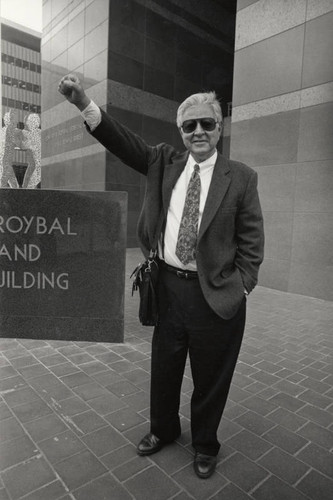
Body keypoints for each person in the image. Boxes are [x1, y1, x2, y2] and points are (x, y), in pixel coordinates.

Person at [58, 74, 264, 479]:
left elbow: (252, 242)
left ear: (220, 127)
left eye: (207, 123)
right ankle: (163, 430)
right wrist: (84, 101)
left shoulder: (241, 177)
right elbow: (122, 140)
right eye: (190, 125)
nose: (199, 131)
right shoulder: (163, 163)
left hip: (217, 295)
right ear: (181, 131)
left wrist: (241, 286)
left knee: (211, 377)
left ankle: (205, 443)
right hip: (169, 288)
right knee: (164, 368)